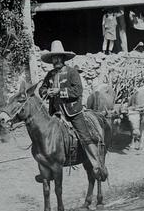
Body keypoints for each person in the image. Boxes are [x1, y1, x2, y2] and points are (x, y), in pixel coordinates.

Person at [39, 39, 107, 180]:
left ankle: (97, 165)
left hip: (72, 112)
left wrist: (59, 91)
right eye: (53, 58)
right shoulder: (50, 75)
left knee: (84, 136)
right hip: (55, 112)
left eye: (57, 57)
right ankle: (47, 169)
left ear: (63, 58)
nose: (55, 60)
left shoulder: (72, 72)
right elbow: (42, 89)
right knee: (44, 136)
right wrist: (47, 92)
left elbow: (77, 91)